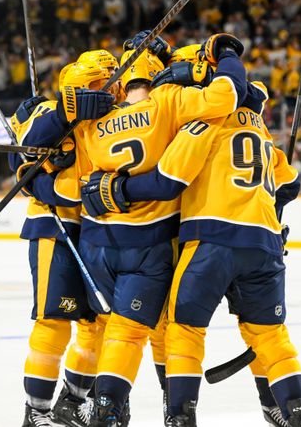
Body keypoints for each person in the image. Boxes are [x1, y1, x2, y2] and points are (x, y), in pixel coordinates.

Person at [32, 33, 247, 426]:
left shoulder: (91, 119)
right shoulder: (169, 104)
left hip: (96, 244)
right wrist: (226, 54)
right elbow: (226, 100)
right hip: (154, 242)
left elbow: (70, 185)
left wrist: (37, 181)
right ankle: (133, 409)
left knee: (109, 328)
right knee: (153, 330)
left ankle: (103, 404)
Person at [84, 79, 301, 426]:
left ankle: (180, 416)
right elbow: (291, 184)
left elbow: (167, 180)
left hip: (211, 237)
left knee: (184, 329)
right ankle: (296, 414)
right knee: (270, 335)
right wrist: (274, 215)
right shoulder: (262, 134)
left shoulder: (204, 123)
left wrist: (118, 188)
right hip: (265, 245)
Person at [11, 51, 118, 427]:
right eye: (100, 82)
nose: (111, 89)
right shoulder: (51, 114)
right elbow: (21, 161)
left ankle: (73, 401)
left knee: (98, 322)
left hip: (95, 231)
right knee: (53, 320)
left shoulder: (112, 120)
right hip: (53, 230)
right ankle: (35, 411)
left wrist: (53, 187)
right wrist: (62, 114)